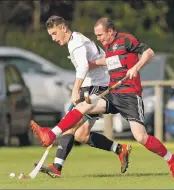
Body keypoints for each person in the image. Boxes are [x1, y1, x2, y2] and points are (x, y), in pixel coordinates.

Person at [31, 17, 174, 178]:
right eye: (96, 36)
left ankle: (172, 160)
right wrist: (93, 63)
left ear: (110, 31)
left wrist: (136, 68)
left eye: (100, 35)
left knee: (141, 137)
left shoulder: (126, 39)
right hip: (113, 93)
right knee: (83, 107)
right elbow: (108, 60)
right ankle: (51, 134)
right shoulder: (107, 46)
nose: (98, 39)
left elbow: (149, 53)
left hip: (130, 95)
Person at [34, 15, 132, 178]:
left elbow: (84, 67)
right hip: (93, 85)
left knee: (70, 126)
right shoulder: (75, 41)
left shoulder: (76, 43)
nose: (53, 38)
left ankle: (57, 166)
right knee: (81, 135)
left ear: (63, 28)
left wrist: (75, 89)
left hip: (97, 87)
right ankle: (120, 149)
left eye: (54, 33)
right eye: (50, 35)